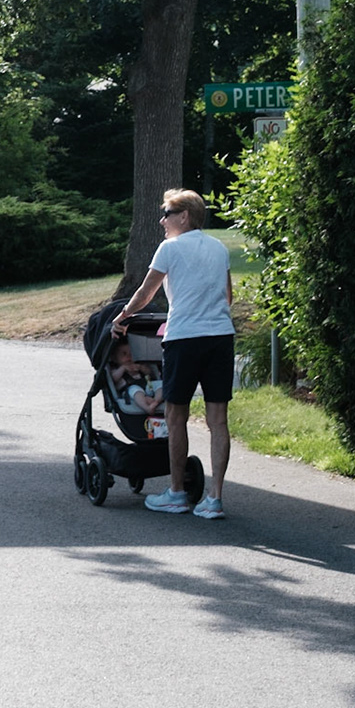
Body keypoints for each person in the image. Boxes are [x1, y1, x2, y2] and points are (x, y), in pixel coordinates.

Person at [112, 188, 234, 518]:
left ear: (184, 216)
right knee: (218, 420)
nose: (162, 220)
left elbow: (145, 292)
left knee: (175, 415)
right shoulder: (219, 247)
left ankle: (177, 493)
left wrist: (122, 317)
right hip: (221, 337)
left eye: (167, 214)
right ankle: (215, 499)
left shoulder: (170, 248)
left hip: (185, 339)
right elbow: (228, 297)